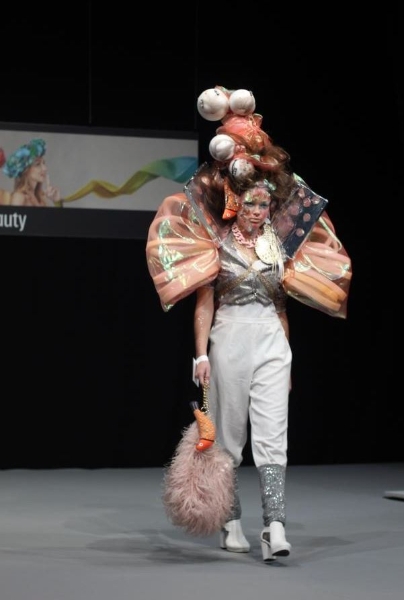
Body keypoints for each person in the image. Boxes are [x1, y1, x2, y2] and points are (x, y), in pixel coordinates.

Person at [146, 85, 352, 562]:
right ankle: (231, 518)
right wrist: (200, 355)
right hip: (230, 338)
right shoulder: (215, 246)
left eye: (265, 205)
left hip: (271, 341)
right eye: (253, 204)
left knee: (274, 437)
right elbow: (204, 305)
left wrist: (287, 353)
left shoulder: (278, 248)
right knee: (230, 437)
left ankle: (274, 527)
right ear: (237, 203)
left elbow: (281, 306)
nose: (260, 212)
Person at [1, 138, 60, 206]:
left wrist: (56, 201)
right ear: (25, 170)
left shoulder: (41, 197)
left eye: (43, 163)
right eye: (37, 164)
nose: (45, 168)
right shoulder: (20, 197)